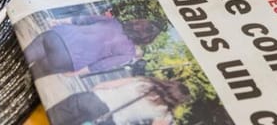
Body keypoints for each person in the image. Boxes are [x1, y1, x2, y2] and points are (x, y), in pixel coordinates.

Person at [24, 14, 163, 79]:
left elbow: (81, 19)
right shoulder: (128, 53)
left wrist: (56, 21)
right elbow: (101, 65)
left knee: (21, 60)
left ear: (137, 22)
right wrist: (75, 73)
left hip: (57, 36)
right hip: (68, 60)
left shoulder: (112, 22)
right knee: (31, 77)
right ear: (146, 40)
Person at [46, 75, 188, 125]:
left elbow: (105, 85)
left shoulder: (144, 81)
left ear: (170, 83)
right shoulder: (164, 114)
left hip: (91, 100)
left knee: (49, 118)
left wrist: (91, 96)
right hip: (108, 121)